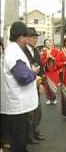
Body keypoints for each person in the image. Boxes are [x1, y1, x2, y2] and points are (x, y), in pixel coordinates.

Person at [1, 21, 40, 152]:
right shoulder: (13, 52)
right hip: (17, 104)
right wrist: (33, 72)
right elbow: (23, 77)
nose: (28, 39)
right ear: (20, 37)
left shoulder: (14, 49)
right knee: (18, 139)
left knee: (20, 138)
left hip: (19, 103)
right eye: (27, 36)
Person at [23, 28, 45, 144]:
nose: (34, 40)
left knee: (38, 110)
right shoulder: (22, 51)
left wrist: (41, 82)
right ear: (26, 38)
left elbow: (40, 67)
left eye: (36, 38)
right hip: (27, 84)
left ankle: (35, 130)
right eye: (32, 37)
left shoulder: (36, 51)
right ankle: (29, 135)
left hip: (36, 83)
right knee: (29, 113)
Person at [40, 39, 61, 105]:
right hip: (47, 72)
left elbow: (58, 60)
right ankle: (48, 98)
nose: (48, 44)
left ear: (52, 43)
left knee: (53, 85)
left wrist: (52, 58)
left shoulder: (56, 51)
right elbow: (42, 62)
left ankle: (54, 98)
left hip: (54, 71)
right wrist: (46, 58)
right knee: (47, 86)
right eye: (46, 43)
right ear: (45, 44)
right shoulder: (44, 52)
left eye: (49, 42)